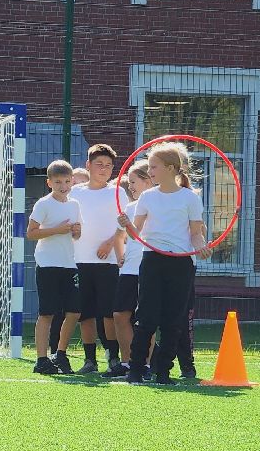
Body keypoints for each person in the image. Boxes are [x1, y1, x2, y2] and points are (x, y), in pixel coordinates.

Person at [126, 141, 208, 385]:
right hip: (152, 259)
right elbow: (135, 233)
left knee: (174, 320)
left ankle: (164, 372)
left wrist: (202, 247)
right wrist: (127, 225)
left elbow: (195, 233)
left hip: (181, 262)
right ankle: (136, 370)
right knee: (147, 317)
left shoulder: (190, 198)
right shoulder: (147, 197)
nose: (149, 171)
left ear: (171, 168)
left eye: (154, 166)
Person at [70, 144, 125, 375]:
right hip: (79, 260)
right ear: (88, 165)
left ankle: (113, 358)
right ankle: (90, 360)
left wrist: (110, 243)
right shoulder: (75, 192)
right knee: (85, 314)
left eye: (109, 165)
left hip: (109, 262)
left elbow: (126, 225)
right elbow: (68, 221)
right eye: (99, 164)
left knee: (108, 313)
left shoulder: (118, 193)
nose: (104, 169)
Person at [26, 159, 82, 376]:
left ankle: (60, 353)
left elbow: (76, 234)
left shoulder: (74, 204)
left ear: (72, 181)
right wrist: (57, 230)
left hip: (69, 263)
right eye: (58, 182)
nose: (63, 186)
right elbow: (31, 233)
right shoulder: (43, 204)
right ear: (49, 183)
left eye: (67, 181)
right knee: (47, 313)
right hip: (48, 263)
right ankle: (41, 360)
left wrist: (76, 232)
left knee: (75, 311)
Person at [108, 158, 152, 379]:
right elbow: (119, 236)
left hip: (149, 269)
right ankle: (127, 362)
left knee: (146, 319)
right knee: (119, 314)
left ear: (148, 181)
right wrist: (120, 257)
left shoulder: (157, 205)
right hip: (128, 270)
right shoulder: (130, 207)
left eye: (134, 182)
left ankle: (146, 364)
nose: (130, 187)